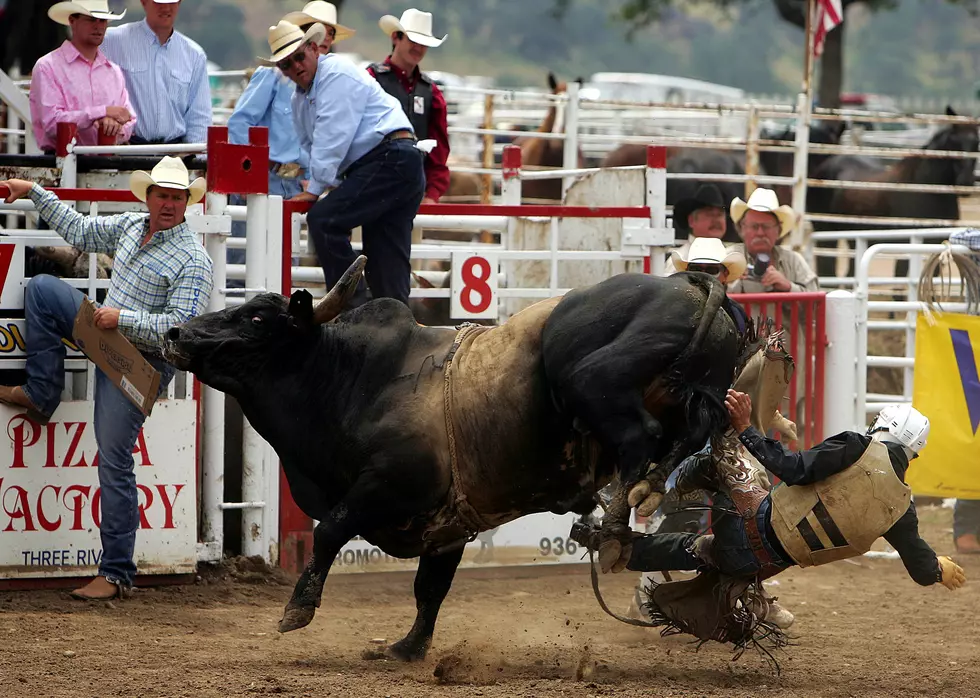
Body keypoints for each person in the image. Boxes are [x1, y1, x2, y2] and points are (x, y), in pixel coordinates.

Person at [0, 156, 214, 600]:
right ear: (150, 197)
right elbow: (80, 230)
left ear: (186, 202)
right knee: (41, 287)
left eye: (177, 197)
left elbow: (181, 328)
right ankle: (41, 391)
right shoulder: (134, 226)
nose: (169, 203)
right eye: (163, 195)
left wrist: (123, 318)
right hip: (108, 334)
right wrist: (35, 192)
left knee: (114, 459)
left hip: (142, 359)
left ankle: (116, 573)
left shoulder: (194, 258)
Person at [602, 394, 967, 643]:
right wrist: (937, 567)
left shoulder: (857, 446)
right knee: (704, 551)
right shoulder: (902, 509)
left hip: (748, 525)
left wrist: (746, 427)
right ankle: (627, 551)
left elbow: (790, 468)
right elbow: (920, 569)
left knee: (724, 452)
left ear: (883, 427)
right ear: (913, 452)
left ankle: (662, 487)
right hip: (761, 565)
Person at [262, 20, 425, 306]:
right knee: (386, 258)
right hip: (395, 160)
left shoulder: (334, 75)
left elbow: (331, 137)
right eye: (287, 64)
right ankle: (391, 324)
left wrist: (315, 189)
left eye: (299, 57)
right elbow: (318, 143)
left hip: (388, 158)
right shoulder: (306, 94)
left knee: (324, 219)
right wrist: (324, 182)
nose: (295, 67)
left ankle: (351, 305)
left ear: (313, 49)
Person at [225, 2, 354, 281]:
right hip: (265, 178)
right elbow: (240, 123)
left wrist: (311, 174)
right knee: (243, 262)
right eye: (317, 31)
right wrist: (248, 174)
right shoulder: (273, 74)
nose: (324, 39)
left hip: (295, 183)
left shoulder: (323, 85)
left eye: (328, 33)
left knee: (284, 265)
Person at [30, 0, 136, 154]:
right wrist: (103, 113)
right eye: (91, 19)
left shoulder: (114, 71)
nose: (98, 26)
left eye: (102, 20)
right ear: (72, 21)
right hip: (62, 161)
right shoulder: (47, 66)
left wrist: (112, 125)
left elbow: (129, 120)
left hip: (104, 163)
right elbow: (53, 124)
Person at [368, 8, 449, 205]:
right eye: (413, 40)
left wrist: (432, 193)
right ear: (396, 37)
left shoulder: (430, 92)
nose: (419, 48)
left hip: (413, 189)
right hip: (371, 184)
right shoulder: (371, 79)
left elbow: (438, 150)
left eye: (423, 44)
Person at [101, 0, 211, 145]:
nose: (165, 7)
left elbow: (199, 117)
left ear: (179, 3)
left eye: (171, 2)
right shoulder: (110, 41)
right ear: (144, 2)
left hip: (176, 154)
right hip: (127, 149)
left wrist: (197, 158)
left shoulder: (194, 55)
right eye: (158, 2)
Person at [725, 187, 818, 294]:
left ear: (778, 230)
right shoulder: (727, 259)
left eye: (766, 226)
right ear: (742, 228)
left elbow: (817, 302)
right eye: (754, 226)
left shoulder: (794, 261)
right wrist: (730, 283)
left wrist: (788, 287)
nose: (760, 233)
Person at [669, 236, 748, 334]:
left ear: (725, 274)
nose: (703, 275)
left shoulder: (737, 313)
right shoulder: (672, 310)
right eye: (695, 269)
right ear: (687, 272)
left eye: (711, 270)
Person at [664, 184, 728, 274]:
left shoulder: (730, 256)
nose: (716, 220)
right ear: (691, 220)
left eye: (720, 214)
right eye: (709, 214)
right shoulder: (680, 260)